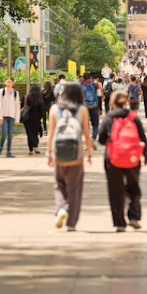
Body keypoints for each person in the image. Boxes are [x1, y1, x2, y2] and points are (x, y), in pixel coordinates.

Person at [98, 90, 147, 232]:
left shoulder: (109, 118)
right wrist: (146, 156)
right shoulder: (133, 118)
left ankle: (119, 222)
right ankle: (134, 216)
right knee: (133, 187)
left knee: (115, 190)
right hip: (133, 158)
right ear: (126, 101)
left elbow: (101, 139)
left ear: (112, 102)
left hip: (113, 158)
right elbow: (142, 138)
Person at [46, 81, 92, 232]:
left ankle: (61, 209)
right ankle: (71, 223)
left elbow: (51, 134)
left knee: (59, 184)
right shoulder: (83, 110)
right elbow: (87, 134)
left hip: (59, 153)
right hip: (76, 154)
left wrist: (49, 154)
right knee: (75, 188)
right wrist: (89, 154)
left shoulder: (54, 109)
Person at [0, 77, 20, 157]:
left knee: (10, 134)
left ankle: (8, 151)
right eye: (7, 82)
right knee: (4, 133)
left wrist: (17, 118)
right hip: (3, 116)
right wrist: (0, 116)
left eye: (10, 82)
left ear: (13, 83)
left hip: (11, 116)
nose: (8, 84)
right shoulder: (2, 92)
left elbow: (17, 106)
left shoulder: (16, 93)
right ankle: (0, 148)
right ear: (5, 83)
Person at [22, 84, 45, 155]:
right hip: (36, 118)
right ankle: (36, 147)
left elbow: (22, 106)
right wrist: (41, 117)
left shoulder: (26, 97)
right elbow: (42, 110)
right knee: (35, 133)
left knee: (29, 134)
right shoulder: (39, 98)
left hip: (27, 119)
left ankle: (30, 150)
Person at [81, 73, 101, 150]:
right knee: (95, 124)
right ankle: (93, 137)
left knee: (86, 125)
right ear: (91, 77)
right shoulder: (95, 85)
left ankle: (87, 143)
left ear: (83, 78)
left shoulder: (81, 86)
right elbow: (99, 96)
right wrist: (100, 108)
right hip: (94, 106)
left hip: (84, 107)